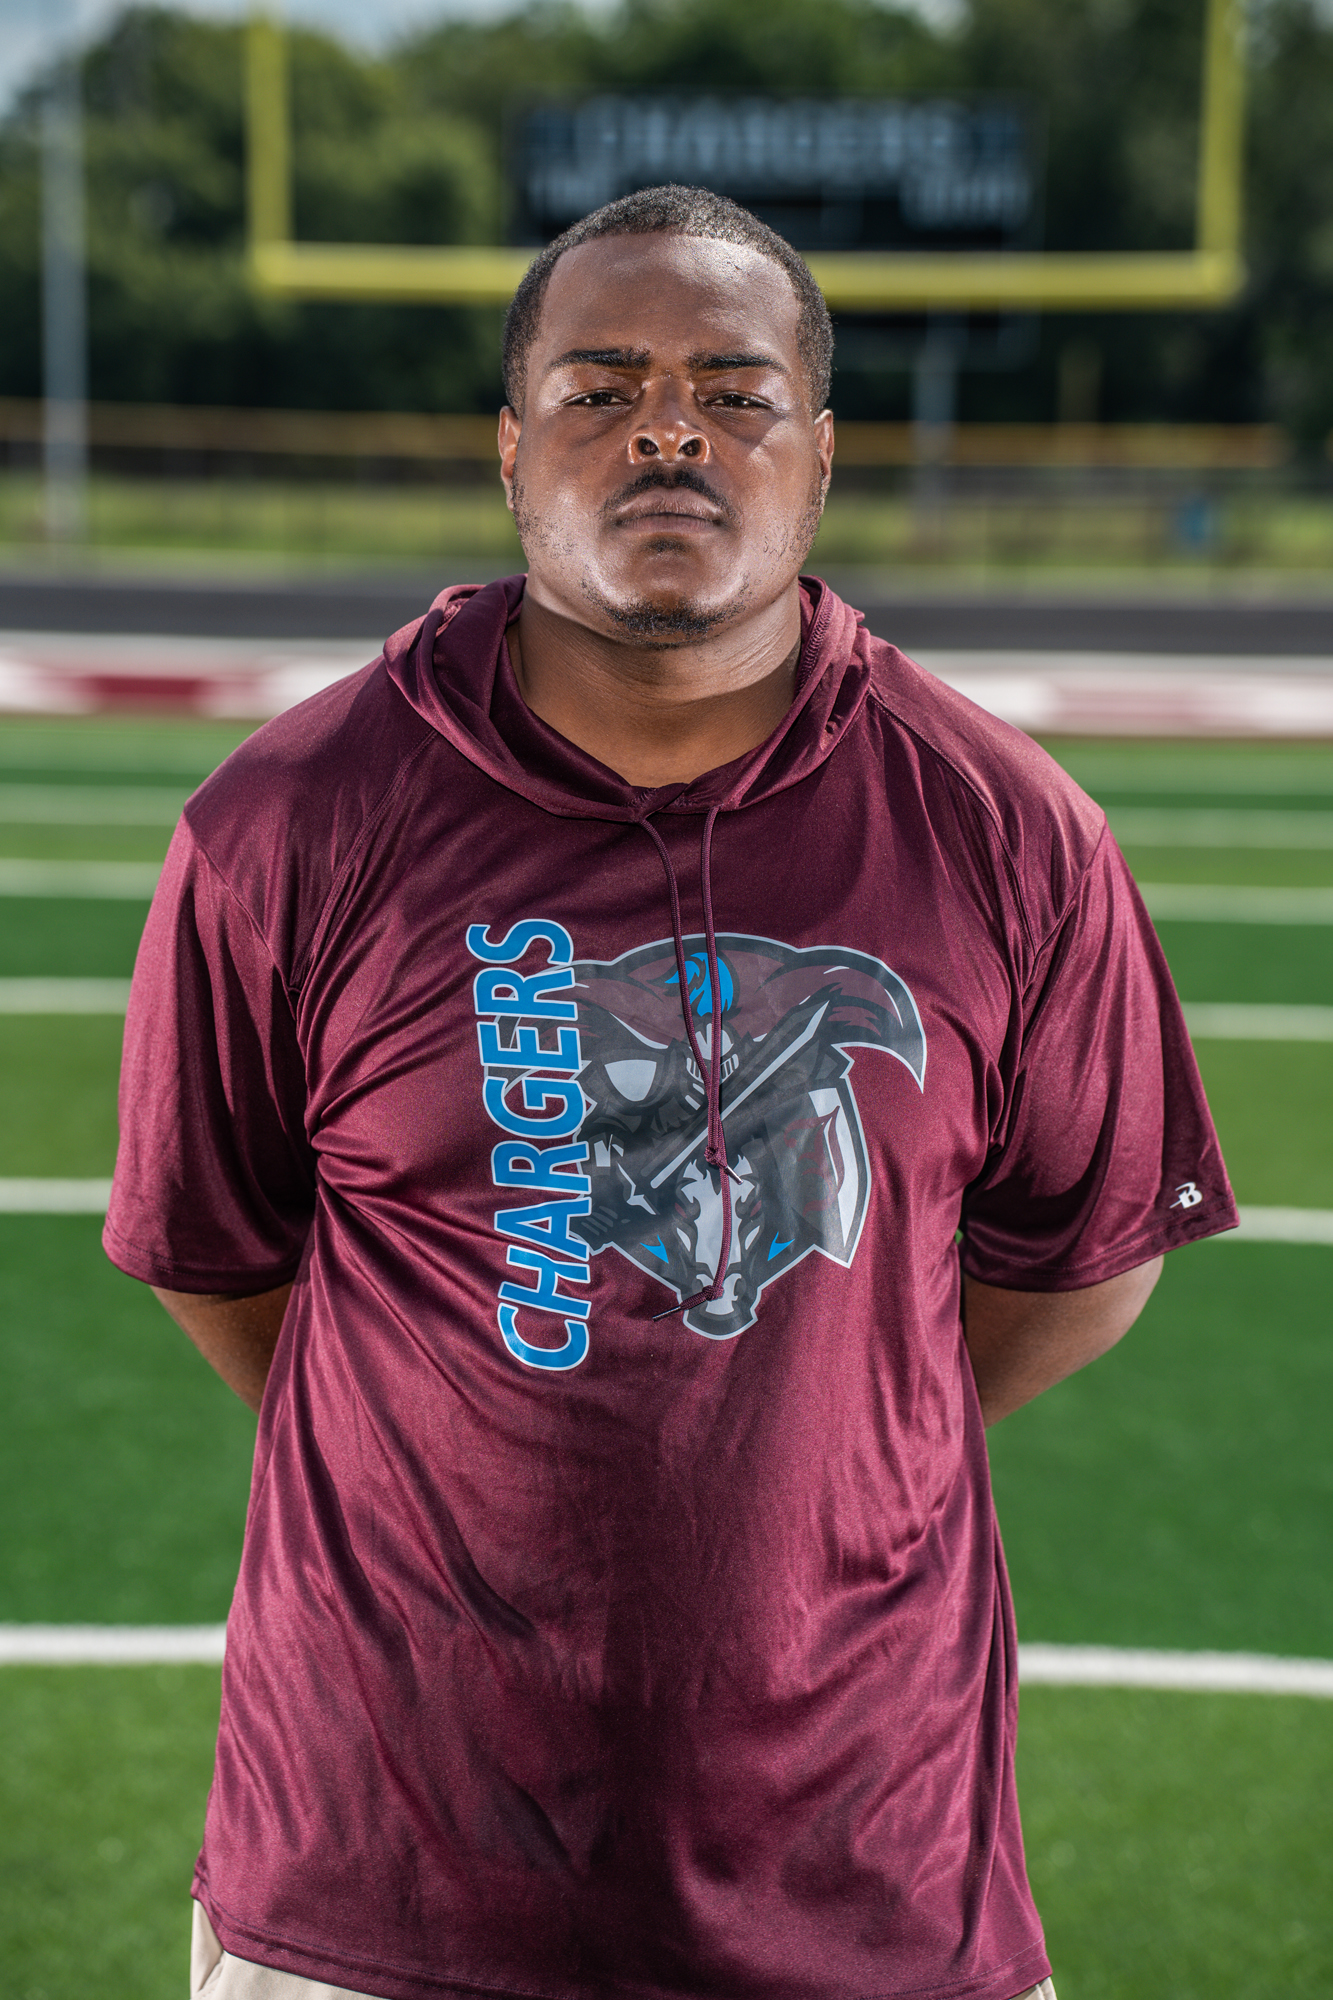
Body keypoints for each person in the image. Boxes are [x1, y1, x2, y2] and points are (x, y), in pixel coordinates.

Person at [105, 185, 1236, 2000]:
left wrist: (835, 1438)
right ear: (508, 447)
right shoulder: (289, 821)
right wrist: (462, 1433)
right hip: (381, 1885)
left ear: (821, 450)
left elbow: (1079, 1270)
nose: (666, 433)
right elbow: (224, 1262)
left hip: (866, 1878)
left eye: (732, 390)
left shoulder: (1006, 827)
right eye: (601, 387)